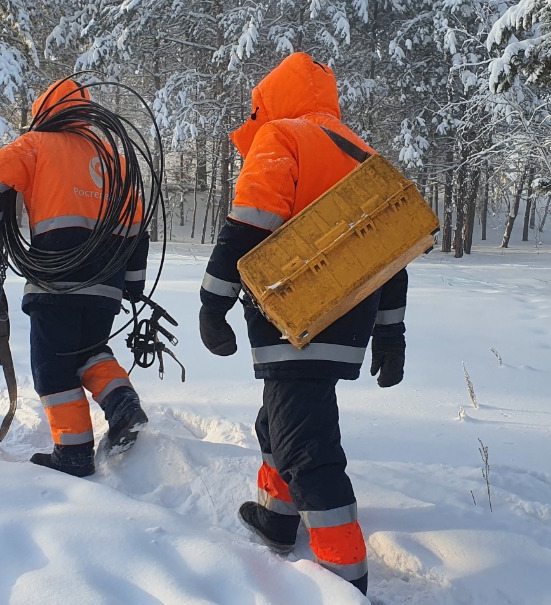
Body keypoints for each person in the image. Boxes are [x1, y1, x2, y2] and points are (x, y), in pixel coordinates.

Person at [197, 52, 409, 596]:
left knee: (304, 447)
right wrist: (390, 332)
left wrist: (212, 300)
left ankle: (344, 572)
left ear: (272, 100)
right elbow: (391, 255)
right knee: (277, 422)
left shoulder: (281, 136)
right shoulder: (363, 153)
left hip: (295, 319)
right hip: (346, 322)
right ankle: (276, 515)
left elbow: (249, 224)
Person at [0, 78, 150, 478]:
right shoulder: (116, 161)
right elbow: (138, 228)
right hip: (106, 283)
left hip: (57, 277)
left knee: (53, 366)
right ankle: (122, 404)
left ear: (46, 112)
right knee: (89, 350)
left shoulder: (37, 143)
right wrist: (133, 285)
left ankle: (73, 453)